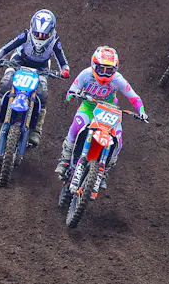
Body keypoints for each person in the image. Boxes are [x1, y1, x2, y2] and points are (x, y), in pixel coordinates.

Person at [56, 47, 148, 184]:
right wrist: (72, 95)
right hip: (89, 106)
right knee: (76, 127)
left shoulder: (118, 79)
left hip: (109, 110)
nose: (105, 73)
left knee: (118, 140)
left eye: (109, 70)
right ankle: (65, 159)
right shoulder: (86, 74)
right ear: (94, 66)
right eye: (101, 69)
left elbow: (134, 97)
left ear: (115, 69)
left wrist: (141, 111)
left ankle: (103, 171)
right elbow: (73, 88)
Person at [0, 9, 70, 147]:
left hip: (41, 67)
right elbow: (7, 47)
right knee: (6, 84)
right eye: (37, 34)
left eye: (44, 35)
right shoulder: (25, 35)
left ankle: (36, 131)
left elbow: (62, 60)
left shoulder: (55, 41)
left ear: (51, 32)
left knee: (42, 94)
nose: (40, 37)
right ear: (32, 28)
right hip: (19, 61)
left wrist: (65, 71)